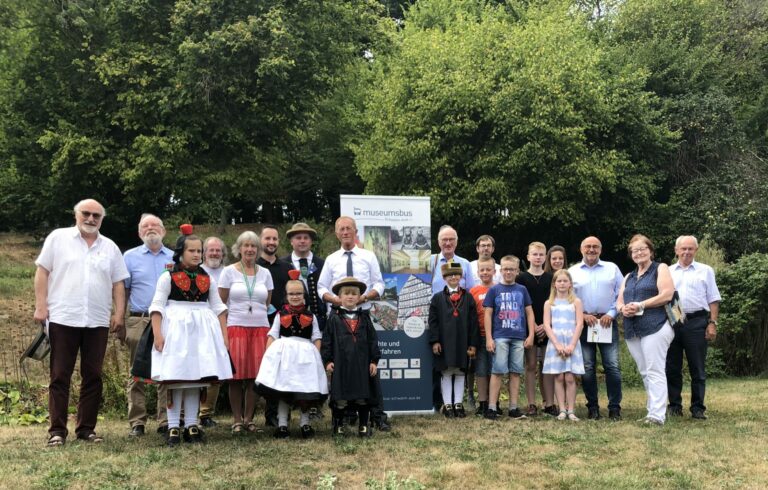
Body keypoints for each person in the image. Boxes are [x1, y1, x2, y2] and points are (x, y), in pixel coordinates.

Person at [34, 199, 129, 447]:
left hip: (97, 321)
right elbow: (42, 272)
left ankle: (86, 429)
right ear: (76, 215)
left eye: (96, 215)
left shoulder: (110, 247)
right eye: (86, 213)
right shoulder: (58, 238)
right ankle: (57, 431)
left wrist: (119, 314)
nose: (90, 219)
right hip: (63, 317)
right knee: (59, 375)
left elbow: (118, 283)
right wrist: (40, 306)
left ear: (102, 219)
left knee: (93, 376)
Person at [147, 228, 232, 446]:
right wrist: (158, 334)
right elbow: (157, 306)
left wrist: (224, 337)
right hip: (176, 332)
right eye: (192, 250)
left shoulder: (208, 279)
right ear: (180, 252)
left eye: (199, 251)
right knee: (177, 379)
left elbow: (219, 308)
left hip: (202, 334)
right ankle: (174, 426)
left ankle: (192, 424)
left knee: (195, 379)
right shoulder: (168, 277)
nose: (197, 254)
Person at [317, 216, 389, 431]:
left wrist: (365, 297)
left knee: (368, 370)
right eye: (341, 229)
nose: (346, 232)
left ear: (356, 232)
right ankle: (346, 415)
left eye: (349, 228)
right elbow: (321, 287)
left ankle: (377, 415)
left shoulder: (368, 256)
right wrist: (336, 300)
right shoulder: (331, 259)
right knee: (343, 369)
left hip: (362, 315)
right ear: (337, 233)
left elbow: (379, 284)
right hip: (338, 318)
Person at [255, 273, 328, 438]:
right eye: (292, 294)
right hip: (285, 356)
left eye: (299, 294)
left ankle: (305, 423)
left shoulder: (311, 316)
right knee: (284, 391)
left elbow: (316, 337)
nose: (295, 297)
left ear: (304, 295)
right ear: (286, 296)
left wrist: (316, 357)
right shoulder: (280, 315)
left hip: (305, 358)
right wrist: (268, 358)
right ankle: (282, 425)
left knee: (305, 392)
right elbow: (272, 335)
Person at [123, 214, 174, 437]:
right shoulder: (129, 257)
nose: (150, 229)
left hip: (168, 319)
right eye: (145, 226)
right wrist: (119, 318)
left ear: (163, 231)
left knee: (167, 370)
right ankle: (137, 421)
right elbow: (123, 290)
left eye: (155, 225)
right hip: (139, 319)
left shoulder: (175, 256)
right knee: (137, 371)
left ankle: (165, 419)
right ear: (139, 232)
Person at [218, 231, 274, 434]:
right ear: (239, 248)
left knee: (254, 377)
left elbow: (266, 303)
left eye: (254, 246)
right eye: (246, 245)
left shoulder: (265, 274)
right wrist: (223, 332)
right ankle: (236, 420)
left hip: (260, 329)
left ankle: (249, 419)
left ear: (258, 250)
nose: (250, 249)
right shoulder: (228, 272)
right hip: (235, 327)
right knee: (235, 376)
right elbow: (221, 304)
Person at [617, 234, 676, 425]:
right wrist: (622, 309)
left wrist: (640, 305)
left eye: (643, 249)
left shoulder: (660, 268)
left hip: (655, 326)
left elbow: (667, 294)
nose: (639, 253)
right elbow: (619, 301)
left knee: (655, 370)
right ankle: (652, 410)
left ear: (650, 251)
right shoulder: (629, 276)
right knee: (644, 371)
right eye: (635, 250)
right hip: (633, 329)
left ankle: (657, 415)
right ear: (631, 254)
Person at [568, 236, 624, 421]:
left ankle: (614, 407)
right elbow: (567, 298)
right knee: (587, 367)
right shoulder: (572, 271)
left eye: (595, 247)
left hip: (607, 321)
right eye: (588, 246)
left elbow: (621, 294)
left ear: (600, 249)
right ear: (581, 249)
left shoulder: (612, 268)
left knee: (612, 366)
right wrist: (582, 315)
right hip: (583, 324)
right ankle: (592, 407)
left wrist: (612, 313)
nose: (591, 249)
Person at [667, 235, 721, 420]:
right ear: (676, 250)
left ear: (696, 250)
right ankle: (674, 406)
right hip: (673, 321)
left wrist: (712, 323)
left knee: (697, 368)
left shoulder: (706, 270)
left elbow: (713, 298)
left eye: (690, 249)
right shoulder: (667, 271)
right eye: (683, 249)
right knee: (672, 367)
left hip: (698, 322)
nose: (687, 252)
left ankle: (698, 408)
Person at [322, 277, 382, 437]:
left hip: (362, 365)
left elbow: (372, 340)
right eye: (346, 294)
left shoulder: (364, 318)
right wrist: (327, 360)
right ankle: (339, 425)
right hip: (341, 365)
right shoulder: (334, 318)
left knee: (363, 396)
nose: (350, 297)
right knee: (341, 397)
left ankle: (363, 425)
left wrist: (374, 361)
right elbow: (327, 341)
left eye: (354, 294)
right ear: (339, 297)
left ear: (360, 297)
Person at [483, 255, 536, 420]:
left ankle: (513, 407)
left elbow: (529, 312)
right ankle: (491, 407)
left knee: (515, 372)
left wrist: (531, 334)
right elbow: (488, 314)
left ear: (517, 271)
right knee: (497, 371)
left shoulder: (522, 290)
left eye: (512, 269)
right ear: (501, 270)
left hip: (518, 337)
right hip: (500, 337)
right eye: (505, 269)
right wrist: (489, 338)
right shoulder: (494, 290)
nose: (508, 272)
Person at [429, 262, 479, 418]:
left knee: (460, 372)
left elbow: (473, 322)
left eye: (456, 274)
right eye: (449, 275)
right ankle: (448, 405)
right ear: (444, 278)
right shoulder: (437, 298)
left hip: (463, 340)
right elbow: (433, 321)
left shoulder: (468, 297)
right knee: (446, 371)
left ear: (461, 277)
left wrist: (472, 344)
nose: (453, 277)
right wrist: (435, 341)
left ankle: (458, 403)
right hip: (444, 341)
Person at [516, 242, 556, 417]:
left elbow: (555, 303)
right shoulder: (521, 279)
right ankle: (531, 403)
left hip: (548, 326)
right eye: (535, 254)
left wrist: (547, 326)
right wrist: (532, 326)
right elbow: (519, 305)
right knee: (531, 365)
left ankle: (549, 403)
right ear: (528, 257)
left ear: (545, 256)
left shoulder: (551, 278)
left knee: (546, 366)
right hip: (528, 327)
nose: (538, 257)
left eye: (541, 254)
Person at [542, 270, 585, 421]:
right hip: (556, 344)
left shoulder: (576, 302)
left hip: (571, 342)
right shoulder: (549, 303)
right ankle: (561, 409)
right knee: (559, 377)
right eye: (559, 281)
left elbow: (579, 324)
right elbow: (547, 325)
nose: (562, 284)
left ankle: (571, 410)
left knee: (570, 377)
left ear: (570, 284)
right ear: (554, 284)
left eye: (565, 281)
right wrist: (557, 344)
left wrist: (572, 344)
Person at [199, 235, 227, 427]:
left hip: (221, 325)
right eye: (211, 250)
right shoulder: (198, 271)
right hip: (199, 326)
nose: (215, 253)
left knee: (215, 372)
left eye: (218, 250)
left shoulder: (229, 272)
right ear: (204, 253)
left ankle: (206, 413)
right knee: (195, 371)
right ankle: (190, 413)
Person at [280, 223, 326, 330]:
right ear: (291, 241)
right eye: (298, 238)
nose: (302, 241)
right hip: (289, 320)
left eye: (306, 238)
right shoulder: (282, 264)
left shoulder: (322, 264)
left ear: (311, 241)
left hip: (318, 320)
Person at [469, 258, 495, 416]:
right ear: (478, 272)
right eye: (482, 270)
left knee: (494, 371)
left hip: (495, 337)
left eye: (488, 270)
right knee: (480, 370)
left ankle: (494, 402)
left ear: (494, 271)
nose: (485, 272)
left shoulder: (499, 289)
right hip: (479, 336)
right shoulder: (473, 291)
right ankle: (483, 402)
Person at [429, 226, 475, 294]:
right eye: (444, 239)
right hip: (435, 304)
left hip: (459, 304)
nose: (448, 243)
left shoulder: (465, 264)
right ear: (439, 242)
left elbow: (471, 291)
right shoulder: (429, 261)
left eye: (451, 239)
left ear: (456, 242)